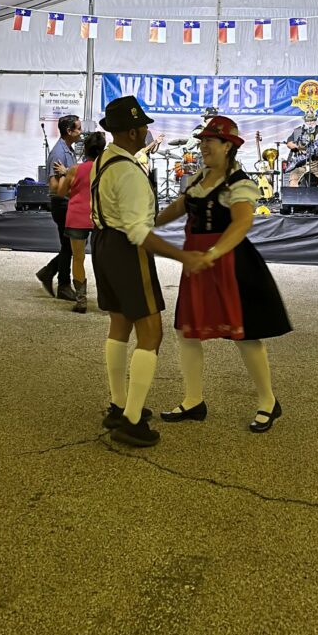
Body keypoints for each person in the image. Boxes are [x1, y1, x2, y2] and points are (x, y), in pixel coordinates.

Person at [156, 115, 292, 433]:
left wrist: (214, 253)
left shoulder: (240, 183)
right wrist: (147, 224)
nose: (203, 146)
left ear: (227, 147)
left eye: (209, 141)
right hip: (197, 263)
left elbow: (241, 224)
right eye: (202, 140)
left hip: (230, 263)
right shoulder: (198, 178)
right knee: (187, 330)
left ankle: (268, 402)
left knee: (244, 334)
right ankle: (193, 400)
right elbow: (179, 207)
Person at [90, 95, 208, 448]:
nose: (147, 129)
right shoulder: (129, 171)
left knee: (119, 324)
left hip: (104, 245)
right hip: (127, 251)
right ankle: (130, 420)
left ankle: (118, 403)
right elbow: (139, 234)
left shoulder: (104, 160)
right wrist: (182, 256)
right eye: (142, 125)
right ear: (129, 132)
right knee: (151, 333)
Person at [56, 131, 106, 313]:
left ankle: (81, 300)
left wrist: (64, 174)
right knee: (103, 260)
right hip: (101, 216)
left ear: (85, 149)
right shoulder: (106, 168)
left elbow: (61, 192)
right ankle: (106, 299)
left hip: (76, 216)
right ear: (103, 149)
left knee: (78, 258)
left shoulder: (75, 169)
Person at [36, 114, 82, 300]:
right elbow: (55, 186)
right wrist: (75, 193)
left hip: (69, 203)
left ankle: (49, 272)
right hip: (62, 204)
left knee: (69, 246)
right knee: (68, 245)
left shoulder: (68, 150)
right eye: (78, 128)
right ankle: (63, 284)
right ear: (69, 131)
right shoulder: (58, 153)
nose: (81, 132)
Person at [285, 109, 318, 188]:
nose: (310, 123)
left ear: (316, 120)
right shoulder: (298, 131)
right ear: (304, 121)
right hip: (300, 162)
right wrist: (297, 145)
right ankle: (297, 199)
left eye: (312, 121)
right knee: (293, 182)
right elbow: (289, 143)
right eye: (308, 121)